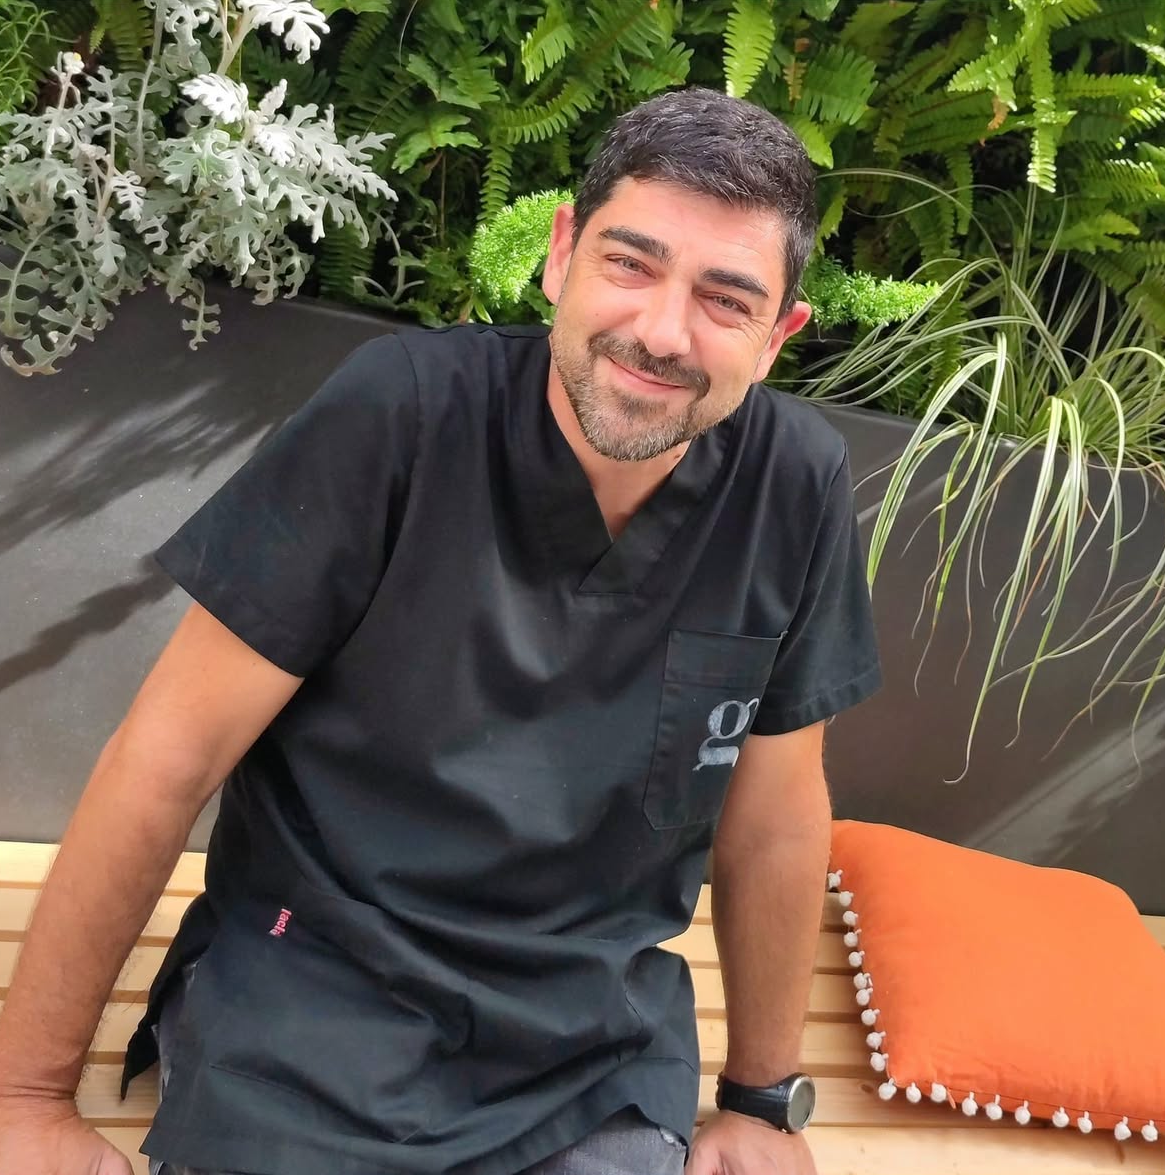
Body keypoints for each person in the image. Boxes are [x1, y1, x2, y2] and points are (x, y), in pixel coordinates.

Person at [0, 86, 881, 1175]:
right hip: (312, 999)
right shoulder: (404, 414)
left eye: (724, 298)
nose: (661, 331)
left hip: (583, 1050)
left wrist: (757, 1100)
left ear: (777, 335)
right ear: (560, 254)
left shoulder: (791, 485)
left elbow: (776, 818)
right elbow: (167, 756)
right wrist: (26, 1094)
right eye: (630, 263)